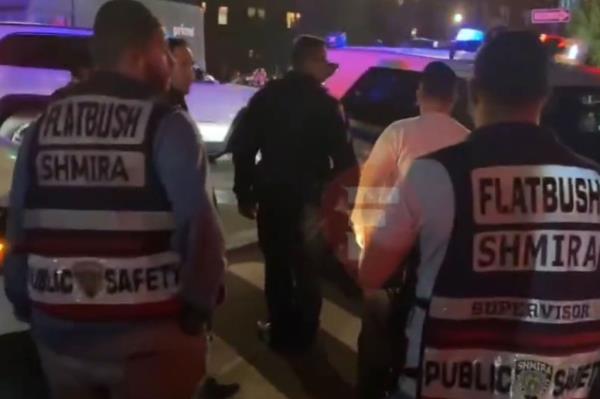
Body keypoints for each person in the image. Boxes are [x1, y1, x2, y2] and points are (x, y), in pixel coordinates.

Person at [360, 31, 600, 399]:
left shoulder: (433, 173)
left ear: (472, 94)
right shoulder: (593, 182)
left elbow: (372, 272)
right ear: (545, 98)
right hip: (558, 387)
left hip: (443, 384)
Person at [3, 1, 225, 398]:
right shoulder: (165, 124)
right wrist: (198, 307)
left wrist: (27, 304)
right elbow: (199, 230)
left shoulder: (43, 126)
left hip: (59, 335)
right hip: (148, 342)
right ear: (141, 56)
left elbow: (20, 225)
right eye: (163, 52)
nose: (168, 63)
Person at [232, 35, 358, 354]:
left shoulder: (267, 97)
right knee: (306, 269)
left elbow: (244, 148)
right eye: (323, 60)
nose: (327, 67)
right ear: (310, 60)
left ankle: (281, 331)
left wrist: (244, 192)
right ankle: (305, 336)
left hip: (273, 196)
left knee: (276, 267)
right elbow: (344, 162)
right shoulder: (328, 106)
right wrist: (339, 203)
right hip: (309, 201)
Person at [351, 61, 469, 399]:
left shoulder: (399, 132)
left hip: (397, 246)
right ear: (455, 97)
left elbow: (369, 192)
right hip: (443, 255)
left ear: (420, 93)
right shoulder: (466, 138)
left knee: (376, 325)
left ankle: (372, 389)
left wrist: (364, 243)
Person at [166, 36, 240, 399]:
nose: (192, 72)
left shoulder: (175, 107)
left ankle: (201, 381)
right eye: (184, 64)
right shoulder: (166, 117)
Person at [167, 37, 195, 111]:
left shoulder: (179, 105)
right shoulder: (164, 114)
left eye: (191, 65)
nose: (191, 73)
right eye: (183, 64)